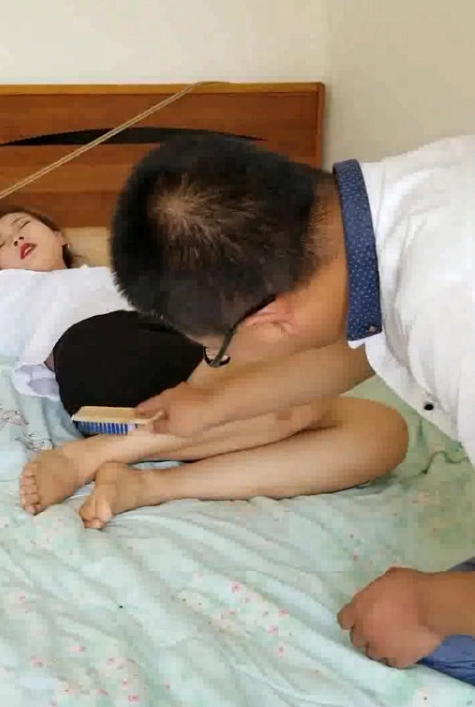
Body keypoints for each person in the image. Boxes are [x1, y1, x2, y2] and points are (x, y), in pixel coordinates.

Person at [106, 132, 475, 683]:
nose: (223, 363)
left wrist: (425, 605)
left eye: (219, 352)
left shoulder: (448, 319)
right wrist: (211, 406)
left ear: (271, 318)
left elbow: (411, 330)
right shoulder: (413, 194)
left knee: (418, 634)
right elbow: (370, 340)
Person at [0, 205, 407, 528]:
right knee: (296, 409)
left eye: (25, 225)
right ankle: (100, 452)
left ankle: (143, 481)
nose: (16, 237)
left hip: (187, 355)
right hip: (103, 365)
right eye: (0, 241)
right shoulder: (6, 299)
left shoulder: (126, 274)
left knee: (383, 431)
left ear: (59, 234)